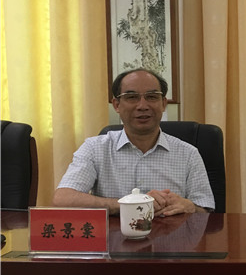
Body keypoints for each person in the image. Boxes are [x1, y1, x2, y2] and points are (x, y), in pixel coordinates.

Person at [53, 68, 215, 216]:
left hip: (171, 237)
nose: (142, 106)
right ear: (117, 105)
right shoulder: (94, 148)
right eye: (132, 97)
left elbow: (206, 210)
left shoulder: (188, 153)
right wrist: (129, 204)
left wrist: (190, 207)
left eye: (152, 97)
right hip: (115, 237)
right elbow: (63, 199)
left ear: (163, 104)